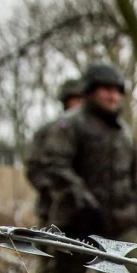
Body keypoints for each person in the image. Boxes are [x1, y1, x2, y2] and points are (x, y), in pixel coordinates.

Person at [36, 63, 137, 273]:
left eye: (117, 91)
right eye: (106, 90)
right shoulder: (69, 125)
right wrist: (82, 199)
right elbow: (55, 166)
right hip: (77, 224)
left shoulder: (124, 133)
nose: (112, 97)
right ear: (90, 92)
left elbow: (131, 179)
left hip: (119, 223)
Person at [26, 78, 84, 226]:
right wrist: (56, 189)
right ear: (66, 102)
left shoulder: (93, 133)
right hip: (54, 210)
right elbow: (34, 168)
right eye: (75, 100)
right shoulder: (49, 131)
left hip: (87, 213)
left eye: (82, 99)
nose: (79, 104)